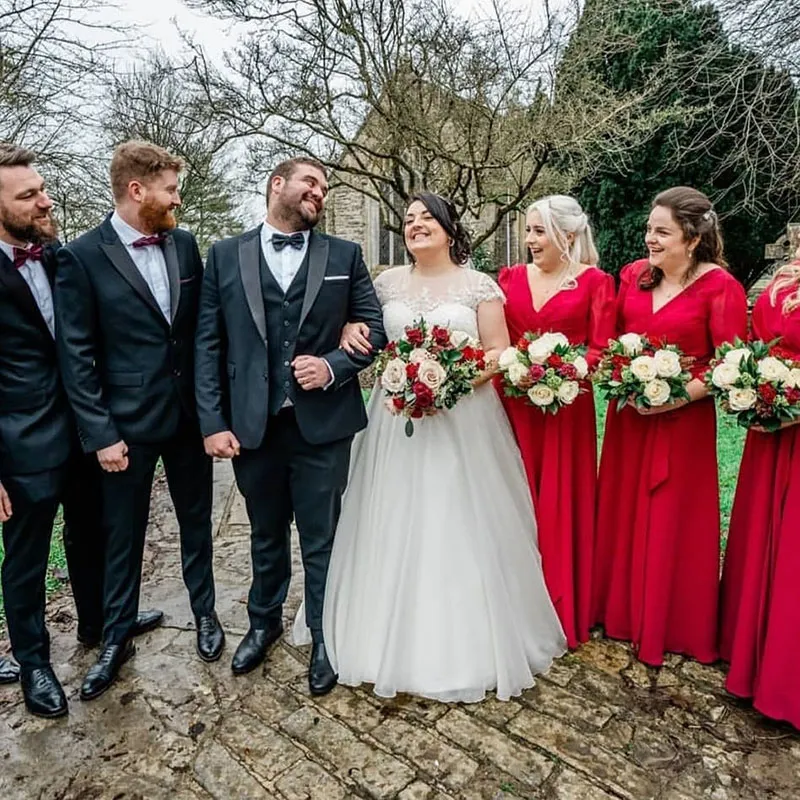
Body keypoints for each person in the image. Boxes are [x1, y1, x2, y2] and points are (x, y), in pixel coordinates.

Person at [311, 192, 566, 702]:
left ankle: (466, 639)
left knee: (458, 518)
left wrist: (445, 383)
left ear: (450, 229)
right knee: (391, 515)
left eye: (427, 217)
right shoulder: (383, 285)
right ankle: (381, 631)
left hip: (464, 420)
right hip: (394, 424)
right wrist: (353, 331)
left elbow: (498, 353)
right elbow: (361, 330)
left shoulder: (479, 287)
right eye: (407, 219)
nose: (415, 225)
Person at [194, 156, 386, 695]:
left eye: (325, 188)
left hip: (323, 425)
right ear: (277, 184)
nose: (319, 193)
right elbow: (208, 344)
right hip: (253, 426)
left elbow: (375, 328)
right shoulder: (225, 254)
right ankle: (263, 621)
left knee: (322, 537)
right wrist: (212, 421)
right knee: (264, 531)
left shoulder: (345, 255)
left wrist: (332, 366)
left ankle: (327, 635)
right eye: (310, 182)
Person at [55, 141, 223, 701]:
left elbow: (200, 335)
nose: (178, 199)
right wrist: (100, 433)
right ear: (137, 190)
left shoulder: (186, 244)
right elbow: (76, 355)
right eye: (170, 190)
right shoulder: (80, 256)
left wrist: (209, 412)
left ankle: (205, 614)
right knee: (121, 535)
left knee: (196, 523)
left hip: (187, 420)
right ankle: (116, 636)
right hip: (124, 428)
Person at [0, 143, 160, 717]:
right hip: (20, 444)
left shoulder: (58, 255)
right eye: (28, 196)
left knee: (91, 531)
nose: (45, 201)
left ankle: (97, 623)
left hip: (86, 431)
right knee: (27, 558)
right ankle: (35, 663)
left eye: (42, 189)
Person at [592, 186, 748, 666]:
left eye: (662, 232)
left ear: (693, 238)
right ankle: (618, 612)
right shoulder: (635, 276)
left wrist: (674, 395)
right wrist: (621, 374)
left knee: (672, 518)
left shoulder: (720, 288)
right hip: (630, 421)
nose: (649, 240)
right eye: (649, 230)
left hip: (683, 425)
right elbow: (613, 341)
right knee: (624, 506)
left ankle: (672, 622)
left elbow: (731, 363)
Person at [496, 195, 615, 649]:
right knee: (514, 496)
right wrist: (517, 367)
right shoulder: (508, 279)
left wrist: (562, 369)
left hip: (566, 409)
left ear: (567, 236)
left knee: (560, 503)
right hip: (515, 408)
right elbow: (498, 339)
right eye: (527, 231)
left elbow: (601, 350)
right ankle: (511, 603)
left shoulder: (595, 283)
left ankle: (561, 603)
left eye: (538, 231)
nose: (529, 240)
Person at [719, 250, 800, 729]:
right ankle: (754, 655)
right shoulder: (786, 274)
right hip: (770, 432)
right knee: (766, 538)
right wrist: (750, 384)